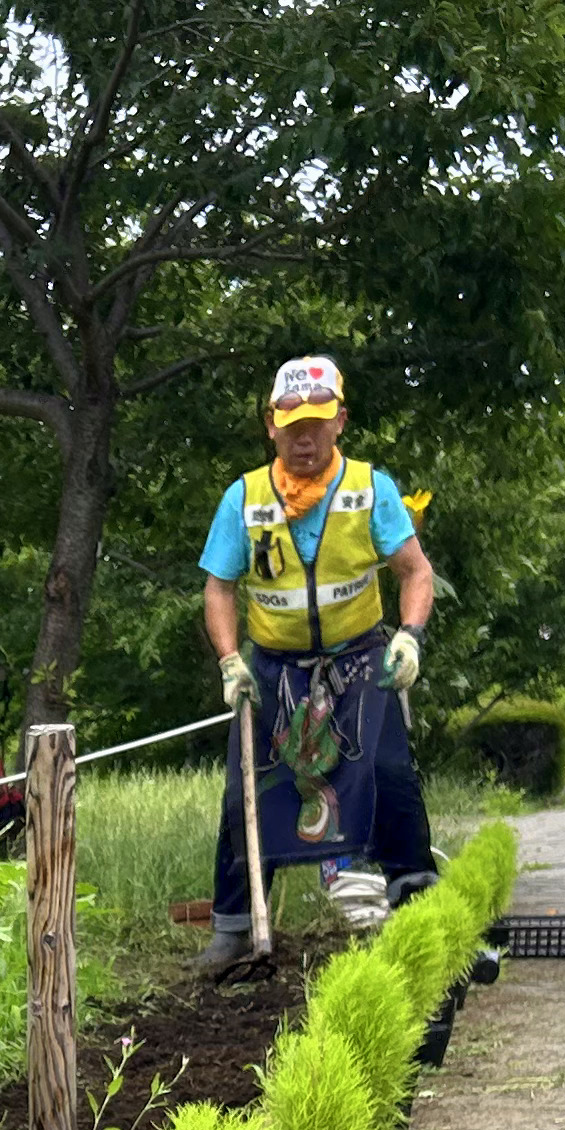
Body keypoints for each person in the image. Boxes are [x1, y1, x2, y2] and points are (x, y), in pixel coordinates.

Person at [195, 354, 439, 975]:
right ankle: (235, 929)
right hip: (272, 666)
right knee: (248, 792)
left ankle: (416, 899)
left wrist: (409, 637)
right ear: (270, 426)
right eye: (292, 423)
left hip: (361, 659)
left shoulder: (369, 488)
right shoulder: (244, 498)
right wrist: (230, 661)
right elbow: (219, 587)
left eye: (317, 423)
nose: (304, 437)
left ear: (340, 422)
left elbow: (415, 571)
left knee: (389, 771)